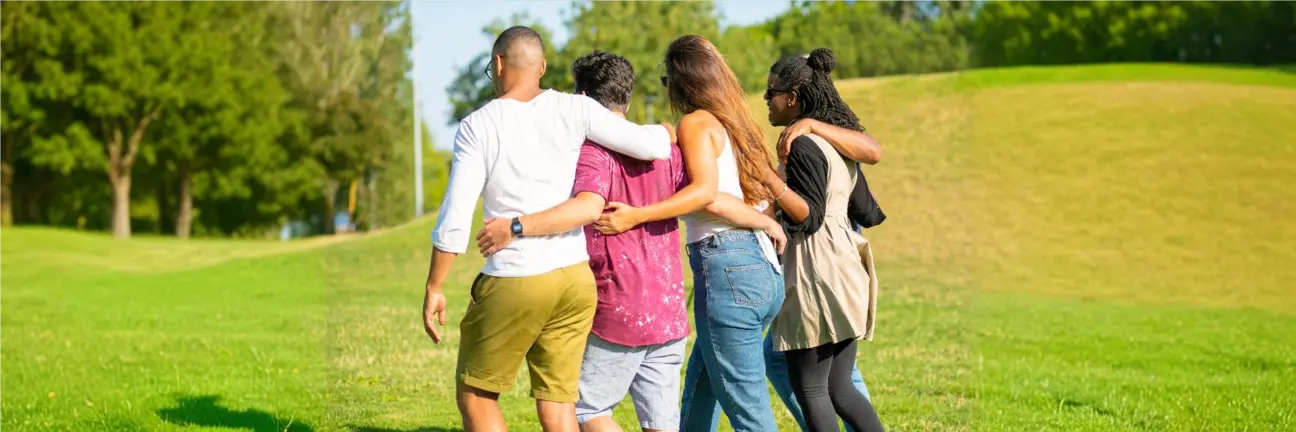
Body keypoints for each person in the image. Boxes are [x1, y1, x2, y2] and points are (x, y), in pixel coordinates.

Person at [421, 27, 674, 432]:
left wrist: (436, 286)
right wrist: (666, 130)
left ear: (499, 64)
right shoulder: (575, 108)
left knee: (476, 396)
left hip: (516, 277)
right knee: (559, 405)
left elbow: (455, 216)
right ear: (542, 67)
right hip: (574, 278)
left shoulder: (477, 126)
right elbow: (652, 147)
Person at [473, 50, 704, 432]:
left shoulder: (592, 154)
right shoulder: (665, 151)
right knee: (661, 423)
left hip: (618, 309)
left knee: (581, 410)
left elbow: (584, 206)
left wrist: (515, 227)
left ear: (581, 98)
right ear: (627, 98)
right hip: (668, 308)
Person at [597, 35, 786, 432]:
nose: (668, 90)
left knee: (750, 415)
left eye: (667, 81)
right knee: (699, 396)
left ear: (683, 81)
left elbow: (705, 195)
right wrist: (765, 222)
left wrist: (636, 216)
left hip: (728, 271)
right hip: (757, 271)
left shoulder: (697, 122)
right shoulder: (732, 124)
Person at [759, 48, 886, 432]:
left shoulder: (802, 143)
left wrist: (770, 183)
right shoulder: (837, 142)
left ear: (793, 97)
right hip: (846, 266)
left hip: (816, 270)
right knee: (840, 388)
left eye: (771, 93)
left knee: (811, 388)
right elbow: (864, 208)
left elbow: (808, 218)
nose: (766, 100)